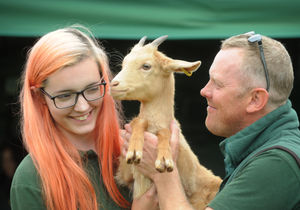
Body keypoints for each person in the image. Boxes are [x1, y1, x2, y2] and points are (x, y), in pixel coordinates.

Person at [129, 32, 300, 209]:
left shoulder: (277, 163)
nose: (204, 91)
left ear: (255, 99)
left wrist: (163, 173)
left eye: (217, 84)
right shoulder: (270, 149)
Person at [10, 26, 133, 210]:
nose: (83, 107)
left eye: (92, 89)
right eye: (65, 96)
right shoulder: (31, 178)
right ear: (39, 97)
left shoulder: (132, 153)